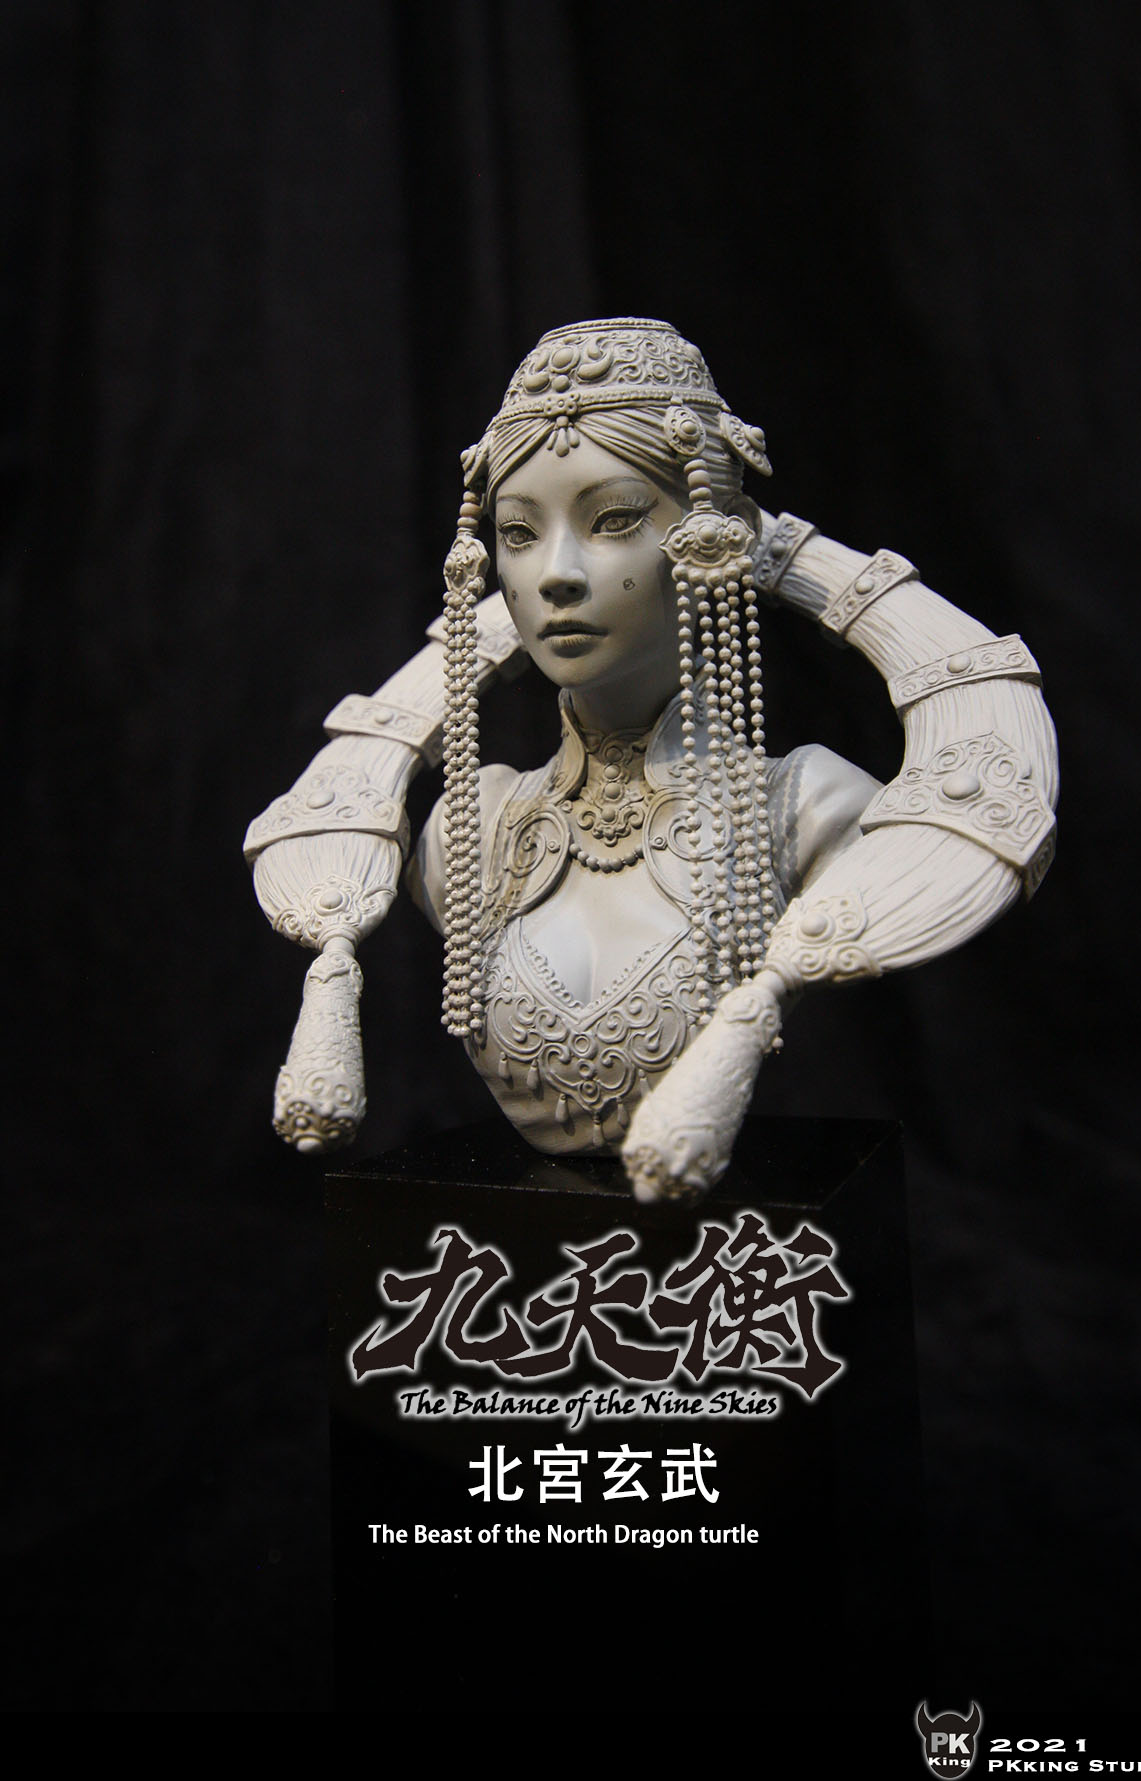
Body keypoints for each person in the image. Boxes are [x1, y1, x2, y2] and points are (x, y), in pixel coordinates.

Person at [245, 318, 1057, 1199]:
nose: (554, 574)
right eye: (518, 533)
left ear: (711, 541)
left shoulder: (809, 807)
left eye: (613, 521)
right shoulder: (469, 831)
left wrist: (783, 554)